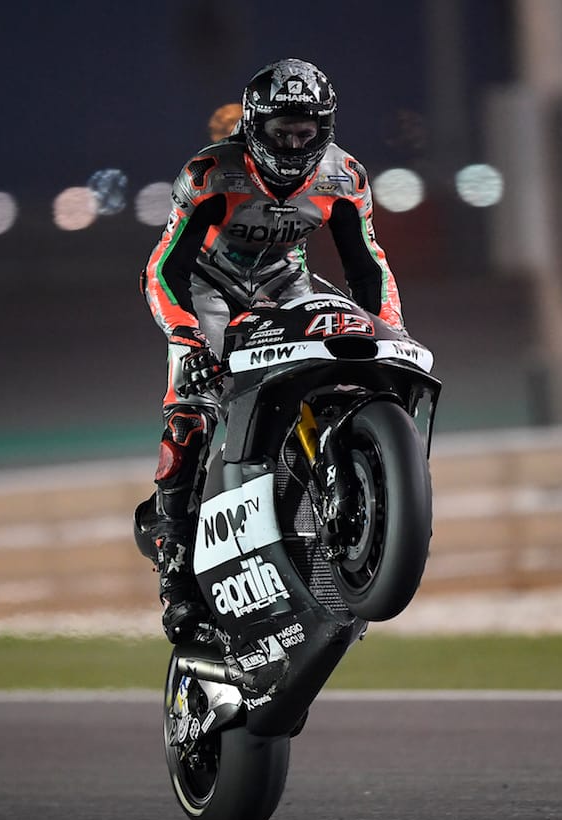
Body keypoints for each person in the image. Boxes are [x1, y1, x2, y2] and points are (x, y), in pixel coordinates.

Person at [140, 58, 408, 644]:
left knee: (345, 354)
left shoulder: (345, 177)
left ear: (325, 129)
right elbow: (162, 269)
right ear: (253, 125)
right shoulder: (210, 174)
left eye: (306, 132)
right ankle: (175, 572)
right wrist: (187, 337)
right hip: (208, 288)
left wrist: (390, 331)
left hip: (286, 283)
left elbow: (368, 265)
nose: (293, 145)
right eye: (282, 131)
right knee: (190, 411)